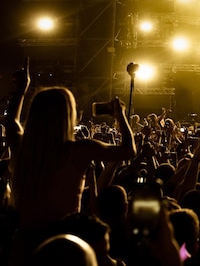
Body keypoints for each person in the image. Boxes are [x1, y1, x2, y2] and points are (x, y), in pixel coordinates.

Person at [5, 60, 137, 264]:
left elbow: (11, 123)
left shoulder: (24, 149)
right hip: (63, 246)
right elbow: (128, 151)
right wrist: (120, 116)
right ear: (68, 116)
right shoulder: (78, 150)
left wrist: (22, 89)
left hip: (23, 244)